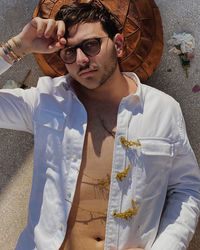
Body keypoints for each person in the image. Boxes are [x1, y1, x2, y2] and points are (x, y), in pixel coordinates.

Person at [0, 2, 200, 250]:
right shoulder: (46, 101)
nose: (81, 59)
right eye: (70, 52)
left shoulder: (162, 110)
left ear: (117, 45)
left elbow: (187, 189)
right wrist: (17, 47)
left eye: (91, 45)